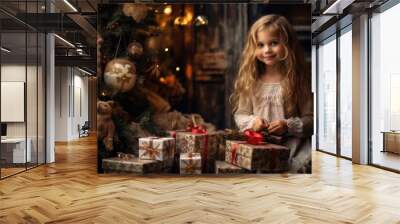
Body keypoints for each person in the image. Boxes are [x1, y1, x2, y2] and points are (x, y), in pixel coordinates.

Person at [230, 15, 313, 173]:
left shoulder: (298, 80)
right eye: (260, 45)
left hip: (293, 151)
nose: (267, 50)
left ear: (287, 44)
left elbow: (311, 120)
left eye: (273, 43)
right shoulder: (251, 81)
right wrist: (253, 122)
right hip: (260, 150)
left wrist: (287, 125)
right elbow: (241, 115)